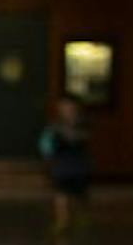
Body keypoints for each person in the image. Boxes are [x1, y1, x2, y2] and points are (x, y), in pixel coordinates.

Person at [39, 94, 94, 234]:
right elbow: (46, 144)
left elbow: (81, 137)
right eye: (63, 107)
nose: (65, 110)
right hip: (61, 165)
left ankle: (80, 216)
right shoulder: (54, 125)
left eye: (69, 106)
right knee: (60, 194)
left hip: (79, 166)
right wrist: (47, 158)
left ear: (76, 108)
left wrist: (66, 132)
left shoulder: (83, 123)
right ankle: (62, 222)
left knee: (78, 196)